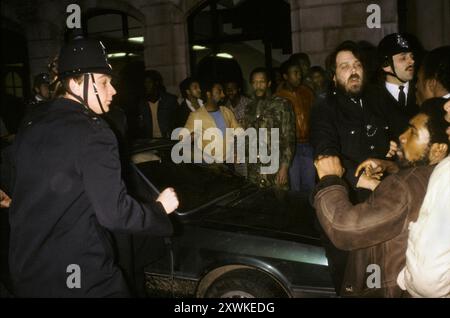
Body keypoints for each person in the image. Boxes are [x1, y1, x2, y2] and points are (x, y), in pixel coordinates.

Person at [8, 37, 179, 298]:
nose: (113, 91)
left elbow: (13, 172)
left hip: (28, 271)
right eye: (104, 82)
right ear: (77, 82)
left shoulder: (34, 120)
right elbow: (115, 213)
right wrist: (159, 210)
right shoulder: (94, 131)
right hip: (81, 274)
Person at [313, 102, 449, 297]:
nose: (402, 136)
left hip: (381, 286)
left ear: (438, 150)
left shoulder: (404, 186)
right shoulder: (440, 175)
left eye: (413, 132)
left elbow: (345, 228)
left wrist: (330, 180)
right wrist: (391, 167)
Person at [310, 41, 392, 203]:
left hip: (384, 190)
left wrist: (392, 146)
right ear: (334, 77)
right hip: (349, 197)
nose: (353, 70)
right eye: (345, 67)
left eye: (357, 65)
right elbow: (325, 151)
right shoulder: (324, 106)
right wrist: (365, 180)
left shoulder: (376, 98)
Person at [244, 68, 295, 190]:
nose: (258, 86)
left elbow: (289, 137)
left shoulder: (282, 104)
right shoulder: (249, 107)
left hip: (275, 166)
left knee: (278, 203)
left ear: (268, 84)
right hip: (253, 168)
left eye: (261, 82)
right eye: (255, 82)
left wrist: (284, 167)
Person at [276, 59, 315, 193]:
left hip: (309, 144)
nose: (299, 76)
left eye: (299, 73)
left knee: (310, 185)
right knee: (294, 187)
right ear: (286, 76)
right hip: (290, 148)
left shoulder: (307, 92)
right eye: (295, 73)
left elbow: (316, 117)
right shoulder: (278, 97)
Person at [375, 33, 420, 139]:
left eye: (411, 56)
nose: (412, 61)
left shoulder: (422, 91)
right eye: (403, 58)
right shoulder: (372, 97)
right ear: (386, 66)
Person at [184, 81, 240, 162]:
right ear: (208, 94)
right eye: (219, 91)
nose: (223, 95)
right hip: (209, 167)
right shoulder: (196, 115)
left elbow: (238, 132)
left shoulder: (226, 111)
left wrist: (235, 151)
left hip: (228, 162)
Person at [135, 70, 178, 139]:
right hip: (150, 141)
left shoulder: (169, 100)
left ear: (156, 83)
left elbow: (176, 121)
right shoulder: (142, 103)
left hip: (168, 140)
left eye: (149, 82)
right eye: (145, 83)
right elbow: (141, 125)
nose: (147, 85)